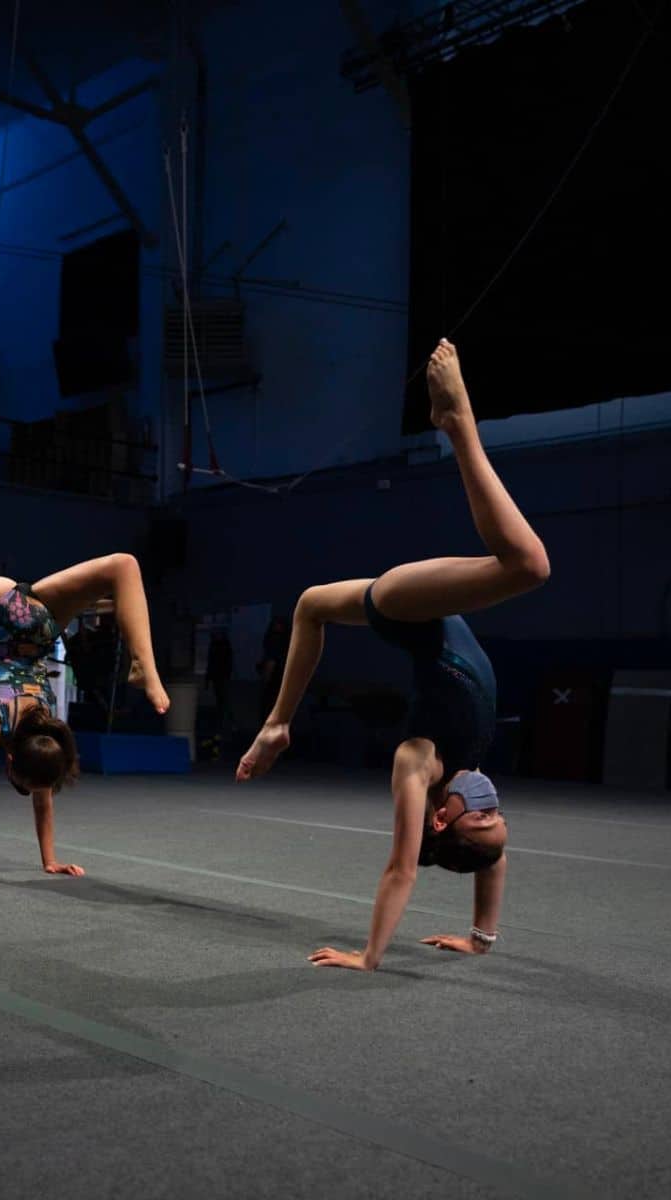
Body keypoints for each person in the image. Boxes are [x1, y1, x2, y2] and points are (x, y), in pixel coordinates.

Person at [236, 340, 549, 971]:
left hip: (410, 613)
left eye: (483, 817)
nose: (492, 804)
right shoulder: (466, 781)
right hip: (422, 612)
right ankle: (276, 725)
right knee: (310, 607)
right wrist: (479, 937)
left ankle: (458, 427)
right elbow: (495, 859)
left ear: (439, 822)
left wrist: (369, 955)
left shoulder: (420, 763)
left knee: (528, 567)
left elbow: (402, 869)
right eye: (499, 814)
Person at [0, 472, 170, 883]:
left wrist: (51, 861)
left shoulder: (47, 734)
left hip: (41, 624)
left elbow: (41, 796)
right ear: (8, 761)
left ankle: (144, 667)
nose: (34, 795)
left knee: (123, 566)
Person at [205, 630, 235, 732]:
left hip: (221, 676)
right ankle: (224, 723)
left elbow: (212, 663)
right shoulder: (222, 646)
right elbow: (211, 663)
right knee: (222, 701)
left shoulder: (220, 647)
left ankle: (225, 723)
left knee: (223, 701)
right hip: (220, 676)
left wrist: (207, 679)